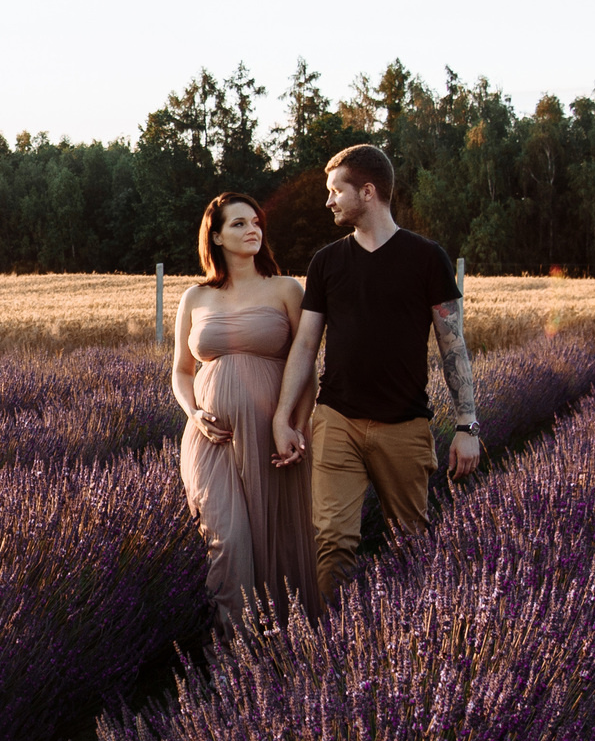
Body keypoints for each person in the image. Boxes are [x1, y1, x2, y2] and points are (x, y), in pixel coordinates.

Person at [269, 144, 480, 602]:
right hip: (337, 421)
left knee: (410, 543)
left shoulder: (427, 258)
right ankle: (334, 650)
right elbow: (306, 344)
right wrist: (283, 417)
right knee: (333, 542)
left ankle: (404, 647)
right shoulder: (326, 262)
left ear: (367, 192)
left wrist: (467, 425)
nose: (328, 201)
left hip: (404, 425)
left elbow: (453, 345)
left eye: (335, 191)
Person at [173, 191, 320, 629]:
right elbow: (181, 371)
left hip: (273, 436)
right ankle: (236, 656)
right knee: (229, 541)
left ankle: (287, 651)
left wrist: (295, 425)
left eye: (256, 222)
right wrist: (194, 414)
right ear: (215, 236)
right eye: (238, 223)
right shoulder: (195, 298)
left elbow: (307, 366)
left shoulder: (286, 289)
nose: (252, 228)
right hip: (211, 438)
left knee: (280, 544)